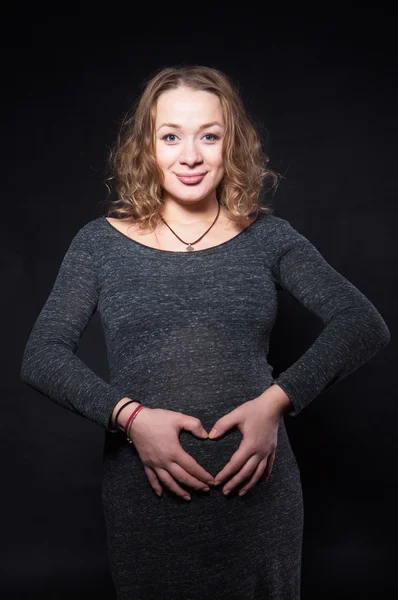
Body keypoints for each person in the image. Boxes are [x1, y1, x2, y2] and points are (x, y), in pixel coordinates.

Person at [20, 65, 391, 599]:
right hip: (146, 493)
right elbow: (42, 355)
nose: (190, 156)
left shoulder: (269, 238)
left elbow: (362, 324)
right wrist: (131, 417)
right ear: (146, 147)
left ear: (230, 144)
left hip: (258, 490)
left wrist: (276, 402)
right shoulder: (97, 245)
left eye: (208, 136)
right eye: (171, 136)